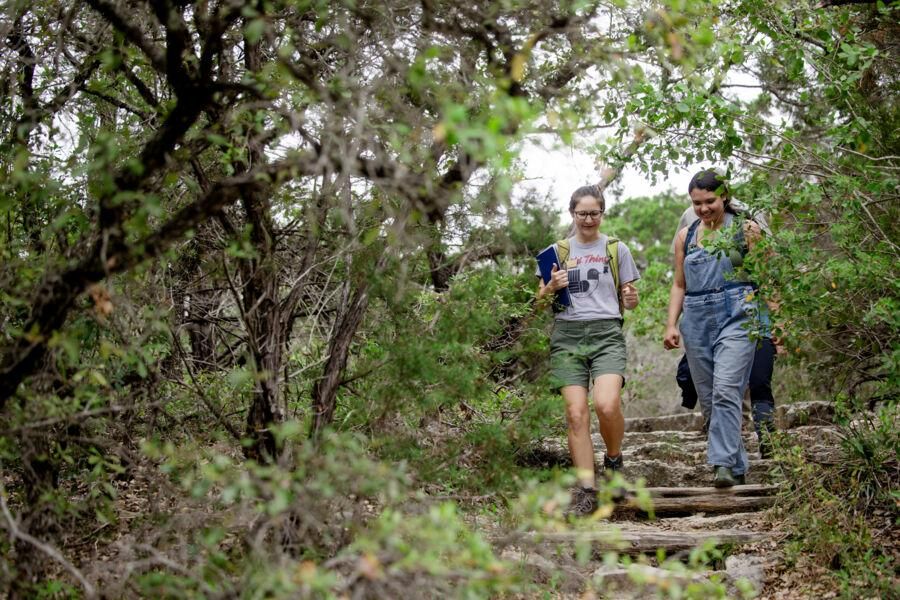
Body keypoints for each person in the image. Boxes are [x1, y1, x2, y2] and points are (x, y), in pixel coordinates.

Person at [663, 169, 774, 487]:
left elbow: (767, 278)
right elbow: (679, 284)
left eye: (709, 201)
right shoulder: (687, 235)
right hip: (696, 319)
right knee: (711, 399)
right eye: (696, 203)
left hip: (739, 313)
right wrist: (671, 324)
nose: (703, 208)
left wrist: (779, 323)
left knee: (727, 390)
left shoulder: (747, 230)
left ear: (724, 195)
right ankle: (736, 466)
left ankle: (721, 465)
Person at [537, 185, 640, 515]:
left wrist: (632, 299)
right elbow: (539, 300)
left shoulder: (615, 248)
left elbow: (630, 295)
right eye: (582, 213)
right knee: (576, 413)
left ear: (602, 213)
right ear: (572, 214)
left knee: (607, 404)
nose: (588, 219)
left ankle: (613, 461)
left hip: (606, 332)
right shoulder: (556, 251)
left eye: (594, 213)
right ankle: (586, 488)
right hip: (567, 335)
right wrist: (551, 287)